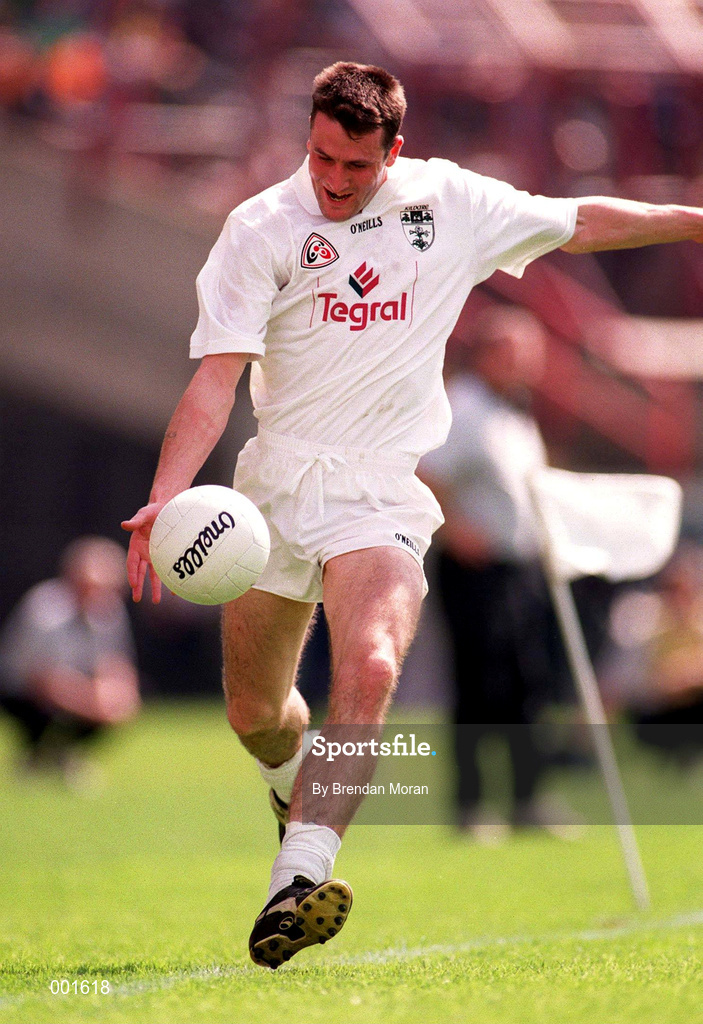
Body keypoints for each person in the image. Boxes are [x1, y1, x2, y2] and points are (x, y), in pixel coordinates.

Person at [121, 61, 703, 969]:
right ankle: (288, 786)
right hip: (271, 492)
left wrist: (693, 220)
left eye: (354, 166)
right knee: (257, 715)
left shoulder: (450, 204)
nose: (332, 180)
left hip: (382, 490)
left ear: (393, 151)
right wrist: (166, 496)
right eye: (319, 157)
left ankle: (298, 877)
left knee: (374, 657)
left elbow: (579, 220)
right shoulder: (261, 227)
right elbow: (215, 379)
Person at [419, 305, 575, 842]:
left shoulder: (513, 411)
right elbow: (425, 473)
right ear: (486, 353)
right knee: (480, 686)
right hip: (478, 570)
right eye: (513, 350)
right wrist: (456, 528)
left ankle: (528, 799)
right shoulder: (464, 408)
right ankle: (471, 805)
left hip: (523, 567)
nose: (526, 361)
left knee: (529, 684)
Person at [0, 536, 140, 787]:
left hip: (76, 689)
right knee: (49, 711)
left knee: (117, 707)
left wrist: (120, 699)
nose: (98, 595)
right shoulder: (45, 609)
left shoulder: (109, 611)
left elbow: (115, 665)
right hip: (23, 695)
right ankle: (38, 753)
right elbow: (39, 680)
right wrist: (93, 705)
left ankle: (61, 755)